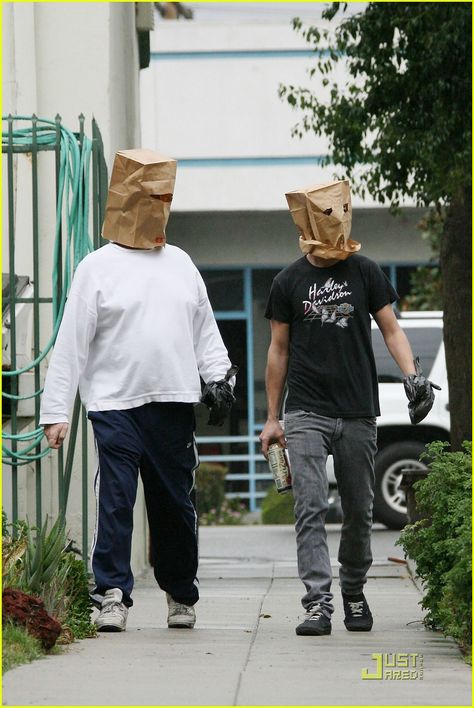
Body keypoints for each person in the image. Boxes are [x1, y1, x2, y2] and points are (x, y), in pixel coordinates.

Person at [40, 148, 235, 632]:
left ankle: (181, 593)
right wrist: (56, 410)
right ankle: (111, 593)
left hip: (172, 400)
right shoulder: (96, 268)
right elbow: (71, 343)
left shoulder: (181, 264)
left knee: (174, 503)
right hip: (114, 404)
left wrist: (220, 377)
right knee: (117, 499)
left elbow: (204, 331)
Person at [259, 179, 436, 637]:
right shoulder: (288, 281)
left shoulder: (365, 271)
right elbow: (278, 350)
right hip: (306, 412)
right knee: (310, 505)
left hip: (358, 409)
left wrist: (412, 374)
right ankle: (317, 603)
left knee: (360, 508)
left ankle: (353, 591)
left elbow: (392, 330)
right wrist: (272, 417)